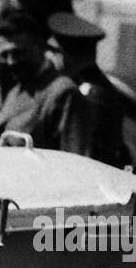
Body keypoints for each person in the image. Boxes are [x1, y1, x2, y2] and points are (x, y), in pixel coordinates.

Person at [0, 9, 90, 154]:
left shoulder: (62, 93)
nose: (10, 62)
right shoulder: (16, 90)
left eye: (18, 53)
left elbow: (75, 162)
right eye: (4, 55)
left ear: (39, 46)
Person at [47, 12, 128, 168]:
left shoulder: (90, 93)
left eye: (55, 50)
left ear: (69, 55)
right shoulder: (84, 83)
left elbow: (86, 151)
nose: (49, 55)